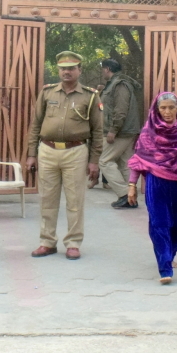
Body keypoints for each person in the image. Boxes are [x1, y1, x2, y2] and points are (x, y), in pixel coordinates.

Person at [26, 51, 103, 260]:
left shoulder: (90, 96)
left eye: (71, 68)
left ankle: (73, 243)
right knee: (47, 199)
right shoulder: (47, 93)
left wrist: (94, 161)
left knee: (75, 201)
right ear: (58, 70)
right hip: (47, 150)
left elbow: (97, 131)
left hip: (76, 152)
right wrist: (32, 153)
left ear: (79, 70)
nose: (66, 72)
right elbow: (36, 124)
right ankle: (47, 242)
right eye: (63, 68)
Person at [126, 93, 177, 284]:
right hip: (157, 183)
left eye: (171, 107)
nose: (167, 112)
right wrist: (132, 185)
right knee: (159, 223)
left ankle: (170, 254)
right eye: (163, 108)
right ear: (156, 110)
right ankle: (165, 267)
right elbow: (139, 159)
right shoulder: (149, 131)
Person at [98, 59, 142, 209]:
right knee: (125, 164)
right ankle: (131, 198)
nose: (102, 72)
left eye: (102, 69)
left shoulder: (120, 85)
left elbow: (121, 109)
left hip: (122, 131)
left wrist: (113, 130)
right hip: (125, 130)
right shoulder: (115, 84)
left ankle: (124, 194)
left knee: (104, 161)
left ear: (107, 69)